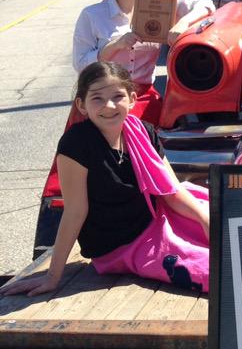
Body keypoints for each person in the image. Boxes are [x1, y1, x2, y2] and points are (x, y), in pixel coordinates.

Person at [0, 62, 209, 298]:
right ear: (82, 105)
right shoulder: (76, 144)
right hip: (123, 246)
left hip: (157, 218)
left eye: (117, 96)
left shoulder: (143, 131)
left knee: (223, 225)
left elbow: (171, 192)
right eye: (97, 98)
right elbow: (75, 212)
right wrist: (52, 276)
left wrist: (204, 219)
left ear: (132, 99)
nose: (109, 106)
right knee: (212, 269)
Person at [72, 0, 215, 124]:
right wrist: (115, 45)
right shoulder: (92, 15)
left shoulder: (162, 4)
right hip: (102, 103)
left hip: (143, 100)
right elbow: (80, 63)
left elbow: (206, 3)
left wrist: (182, 23)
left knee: (150, 148)